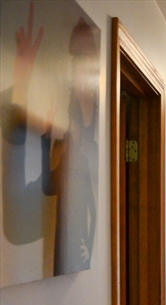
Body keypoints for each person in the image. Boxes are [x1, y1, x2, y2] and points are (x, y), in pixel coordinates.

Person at [2, 1, 99, 277]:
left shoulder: (93, 141)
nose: (80, 71)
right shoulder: (65, 143)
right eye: (76, 60)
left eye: (87, 59)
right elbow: (33, 199)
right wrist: (21, 78)